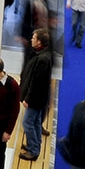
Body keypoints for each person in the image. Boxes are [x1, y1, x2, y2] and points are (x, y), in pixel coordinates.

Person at [19, 29, 52, 161]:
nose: (31, 39)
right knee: (36, 122)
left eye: (34, 37)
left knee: (27, 122)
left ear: (39, 42)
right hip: (39, 98)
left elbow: (36, 82)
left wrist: (28, 98)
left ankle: (33, 150)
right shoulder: (41, 55)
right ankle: (35, 146)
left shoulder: (42, 59)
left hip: (35, 99)